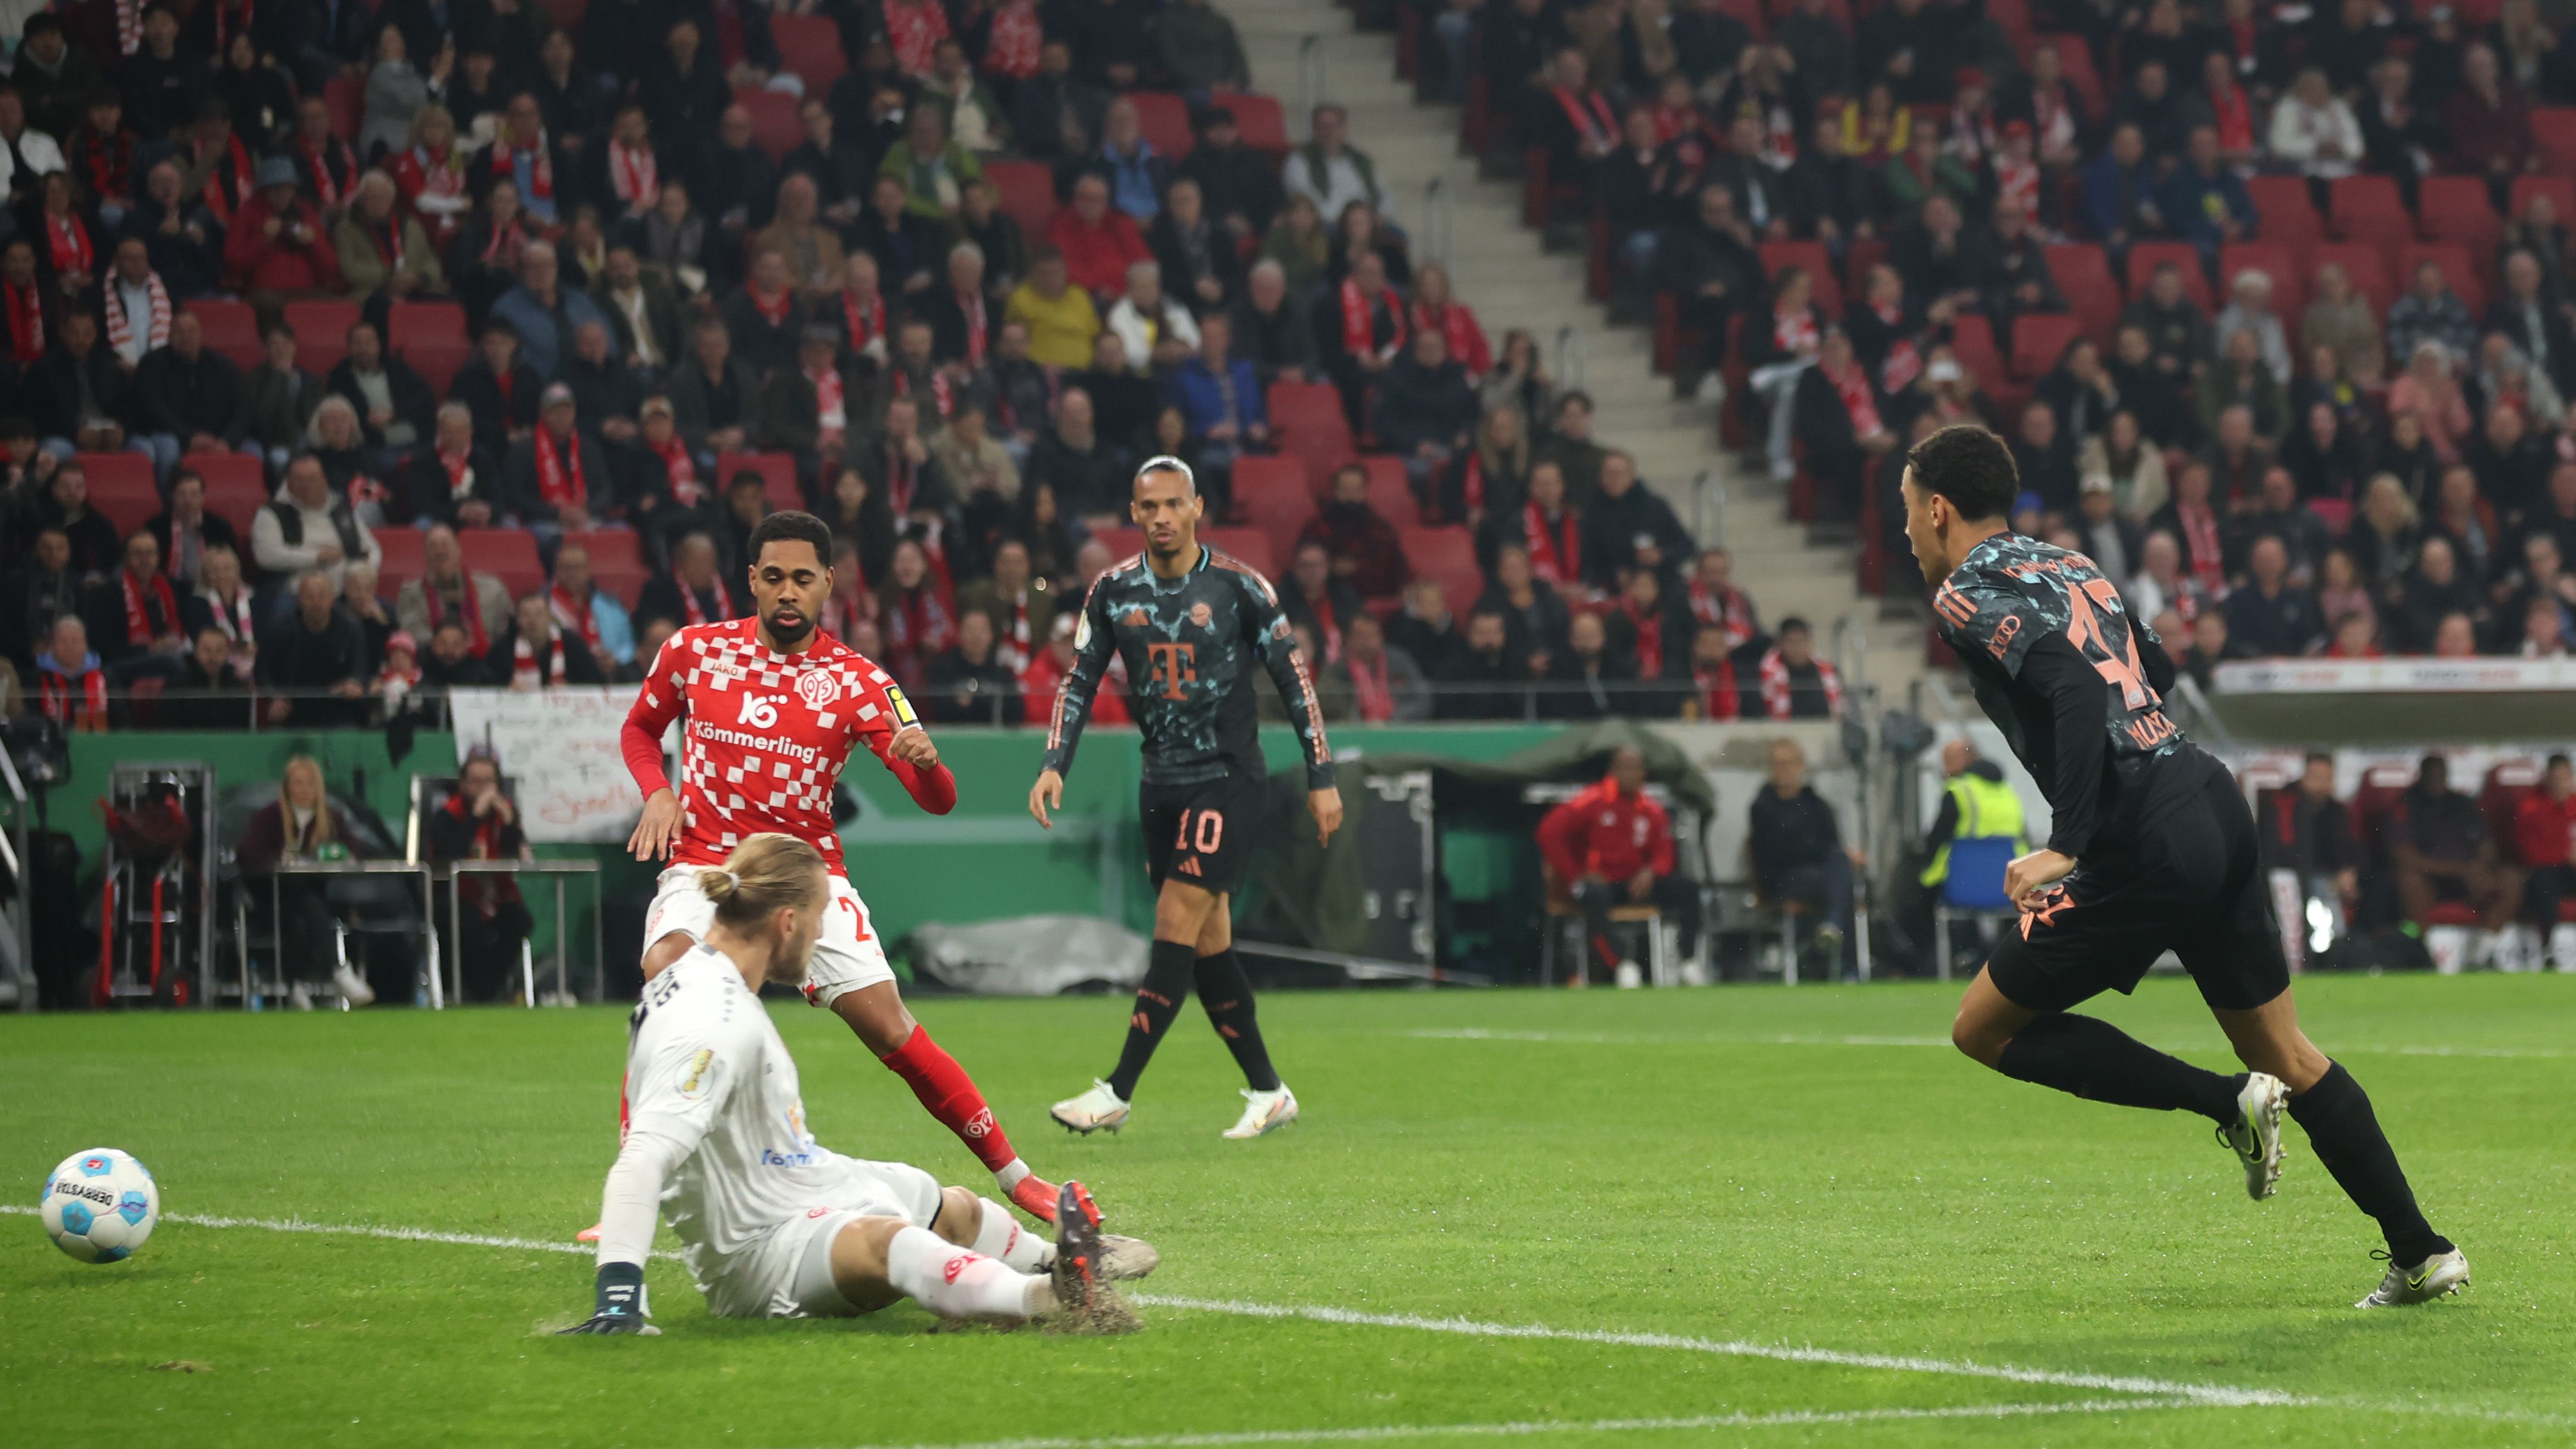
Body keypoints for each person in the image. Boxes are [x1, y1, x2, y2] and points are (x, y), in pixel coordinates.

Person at [1902, 421, 2467, 1308]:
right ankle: (2423, 1249)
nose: (1906, 534)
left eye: (1906, 515)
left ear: (1937, 510)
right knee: (2286, 1048)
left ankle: (2223, 1103)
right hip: (2206, 793)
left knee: (1983, 1028)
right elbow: (2151, 667)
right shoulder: (2072, 563)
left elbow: (2076, 688)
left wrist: (2070, 843)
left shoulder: (1964, 590)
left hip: (2142, 837)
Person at [619, 510, 1062, 1224]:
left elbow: (937, 799)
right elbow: (641, 728)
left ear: (829, 583)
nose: (787, 591)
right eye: (773, 578)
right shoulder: (693, 651)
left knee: (892, 1029)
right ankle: (632, 1185)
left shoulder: (860, 681)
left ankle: (1016, 1175)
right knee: (668, 975)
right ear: (752, 582)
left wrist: (927, 764)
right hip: (709, 863)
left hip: (806, 877)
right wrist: (660, 792)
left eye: (802, 578)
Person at [559, 833, 1143, 1336]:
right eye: (817, 924)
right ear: (786, 922)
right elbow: (644, 1154)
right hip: (760, 1249)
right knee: (895, 1243)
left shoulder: (703, 978)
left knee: (948, 1203)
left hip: (801, 1179)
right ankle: (1055, 1299)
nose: (817, 940)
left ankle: (1060, 1258)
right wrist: (619, 1294)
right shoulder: (711, 1017)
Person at [1035, 457, 1339, 1140]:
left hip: (1227, 777)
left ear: (1198, 507)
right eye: (1150, 507)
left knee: (1175, 920)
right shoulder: (1112, 592)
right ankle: (1269, 1090)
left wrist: (1321, 775)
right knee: (1207, 945)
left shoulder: (1240, 588)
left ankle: (1116, 1090)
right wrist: (1056, 761)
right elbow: (1078, 680)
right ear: (1134, 513)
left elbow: (1296, 684)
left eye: (1175, 504)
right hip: (1160, 784)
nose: (1163, 517)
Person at [1538, 747, 1702, 987]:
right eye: (1624, 768)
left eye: (1635, 769)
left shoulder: (1651, 809)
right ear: (1613, 772)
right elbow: (1548, 833)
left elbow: (1664, 851)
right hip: (1599, 883)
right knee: (1594, 896)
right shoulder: (1592, 800)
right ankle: (1621, 965)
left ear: (1643, 774)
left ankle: (1687, 960)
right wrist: (1575, 874)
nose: (1629, 775)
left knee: (1689, 889)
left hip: (1633, 883)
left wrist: (1652, 871)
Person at [234, 754, 378, 1009]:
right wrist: (276, 861)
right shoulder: (269, 817)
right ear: (287, 787)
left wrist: (336, 856)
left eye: (309, 783)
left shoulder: (332, 817)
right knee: (304, 904)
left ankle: (296, 986)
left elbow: (353, 853)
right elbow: (249, 855)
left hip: (318, 903)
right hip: (271, 902)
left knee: (304, 912)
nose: (303, 790)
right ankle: (338, 971)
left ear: (318, 787)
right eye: (297, 783)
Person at [425, 751, 536, 1002]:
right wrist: (475, 816)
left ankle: (486, 990)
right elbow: (447, 855)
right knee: (467, 923)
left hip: (496, 894)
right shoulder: (447, 816)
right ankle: (478, 992)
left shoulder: (504, 814)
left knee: (519, 920)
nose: (483, 788)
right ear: (463, 784)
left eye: (489, 781)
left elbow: (514, 855)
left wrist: (510, 823)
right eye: (476, 781)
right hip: (457, 896)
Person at [1747, 737, 1858, 975]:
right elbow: (1775, 853)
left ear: (1801, 767)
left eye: (1789, 763)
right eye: (1778, 764)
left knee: (1840, 866)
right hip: (1785, 879)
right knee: (1841, 881)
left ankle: (1833, 926)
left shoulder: (1817, 805)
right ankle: (1849, 965)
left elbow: (1832, 844)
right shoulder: (1763, 807)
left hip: (1820, 875)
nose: (1784, 770)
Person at [2387, 754, 2521, 932]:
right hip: (2430, 878)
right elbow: (2405, 857)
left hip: (2468, 878)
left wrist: (2480, 869)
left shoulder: (2464, 805)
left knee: (2511, 878)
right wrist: (2459, 869)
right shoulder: (2406, 805)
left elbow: (2486, 847)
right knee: (2409, 881)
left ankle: (2487, 945)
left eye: (2440, 775)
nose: (2436, 781)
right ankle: (2420, 946)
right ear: (2421, 776)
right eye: (2431, 775)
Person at [256, 570, 370, 726]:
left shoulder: (351, 627)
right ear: (300, 600)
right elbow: (263, 672)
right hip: (292, 708)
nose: (316, 602)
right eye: (309, 597)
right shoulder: (280, 628)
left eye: (322, 596)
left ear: (332, 599)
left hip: (339, 707)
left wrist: (355, 682)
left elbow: (360, 667)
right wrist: (275, 697)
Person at [2515, 754, 2576, 936]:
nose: (2560, 785)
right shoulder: (2531, 807)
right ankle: (2549, 945)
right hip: (2545, 872)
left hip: (2571, 871)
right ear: (2547, 778)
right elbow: (2532, 854)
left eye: (2564, 778)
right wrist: (2567, 854)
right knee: (2544, 881)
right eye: (2555, 779)